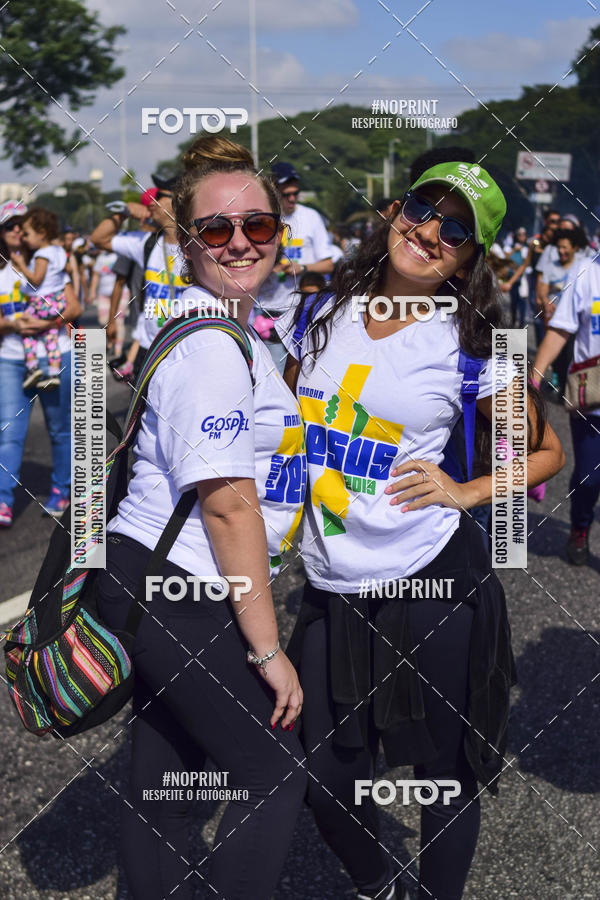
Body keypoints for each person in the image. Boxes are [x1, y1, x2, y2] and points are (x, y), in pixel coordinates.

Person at [276, 162, 565, 900]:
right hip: (331, 581)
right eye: (421, 209)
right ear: (395, 210)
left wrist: (466, 488)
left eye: (456, 229)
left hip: (431, 577)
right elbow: (282, 430)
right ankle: (379, 881)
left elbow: (544, 454)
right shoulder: (322, 310)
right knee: (325, 773)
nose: (429, 231)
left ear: (470, 258)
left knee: (443, 776)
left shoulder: (476, 343)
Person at [95, 140, 307, 900]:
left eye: (260, 224)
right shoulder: (215, 349)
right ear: (185, 243)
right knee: (273, 778)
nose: (242, 241)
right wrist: (267, 647)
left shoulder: (218, 328)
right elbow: (227, 505)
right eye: (217, 230)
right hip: (179, 588)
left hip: (147, 579)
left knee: (167, 783)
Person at [0, 200, 81, 526]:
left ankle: (62, 490)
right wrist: (14, 326)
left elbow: (74, 308)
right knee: (8, 432)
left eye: (22, 225)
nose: (17, 231)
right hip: (11, 360)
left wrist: (46, 323)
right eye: (10, 226)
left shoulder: (50, 264)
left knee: (61, 430)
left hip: (56, 354)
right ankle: (3, 501)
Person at [533, 257, 600, 565]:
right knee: (588, 479)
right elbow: (560, 329)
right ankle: (580, 526)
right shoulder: (586, 270)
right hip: (592, 397)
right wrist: (534, 377)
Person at [90, 175, 186, 382]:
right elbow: (98, 239)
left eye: (160, 197)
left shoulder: (199, 246)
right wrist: (123, 213)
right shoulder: (145, 243)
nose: (152, 203)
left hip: (185, 347)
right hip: (149, 347)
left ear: (178, 203)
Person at [256, 161, 334, 371]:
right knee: (271, 376)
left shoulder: (311, 217)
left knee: (302, 374)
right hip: (267, 312)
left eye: (295, 193)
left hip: (302, 312)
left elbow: (328, 264)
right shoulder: (260, 218)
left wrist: (302, 268)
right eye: (285, 194)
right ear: (274, 192)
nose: (291, 199)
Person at [9, 207, 69, 391]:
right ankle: (53, 372)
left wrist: (20, 266)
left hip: (42, 302)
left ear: (41, 233)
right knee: (50, 337)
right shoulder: (58, 251)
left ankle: (32, 366)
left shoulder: (42, 254)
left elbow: (36, 280)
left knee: (26, 331)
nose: (23, 238)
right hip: (56, 301)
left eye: (26, 234)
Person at [89, 247, 130, 358]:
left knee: (119, 321)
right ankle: (110, 341)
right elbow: (96, 275)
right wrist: (92, 291)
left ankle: (118, 350)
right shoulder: (101, 257)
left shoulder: (120, 255)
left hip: (121, 293)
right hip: (104, 293)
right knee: (103, 321)